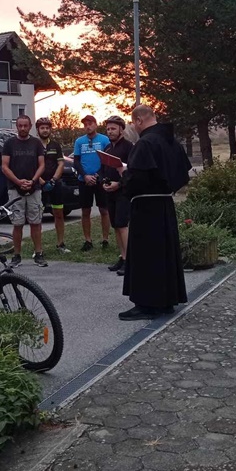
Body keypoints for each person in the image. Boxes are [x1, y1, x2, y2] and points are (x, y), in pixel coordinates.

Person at [118, 105, 192, 321]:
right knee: (164, 254)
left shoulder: (145, 143)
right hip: (165, 204)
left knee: (146, 256)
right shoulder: (172, 141)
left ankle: (147, 305)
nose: (134, 127)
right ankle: (166, 302)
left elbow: (137, 179)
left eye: (134, 123)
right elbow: (183, 174)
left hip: (146, 207)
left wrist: (123, 174)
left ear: (139, 120)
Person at [1, 115, 47, 267]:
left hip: (34, 188)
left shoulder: (36, 143)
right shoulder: (9, 143)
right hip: (15, 189)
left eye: (25, 126)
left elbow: (42, 165)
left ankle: (39, 254)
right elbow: (5, 166)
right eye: (20, 126)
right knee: (17, 223)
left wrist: (33, 181)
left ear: (30, 126)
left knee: (36, 222)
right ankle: (16, 255)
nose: (22, 128)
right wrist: (18, 181)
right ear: (16, 126)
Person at [101, 115, 133, 275]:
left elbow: (132, 171)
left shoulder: (128, 147)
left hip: (123, 192)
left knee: (122, 225)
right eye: (108, 129)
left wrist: (119, 184)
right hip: (110, 192)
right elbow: (102, 168)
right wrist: (103, 182)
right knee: (115, 225)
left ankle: (130, 261)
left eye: (113, 128)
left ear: (121, 129)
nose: (110, 131)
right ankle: (122, 256)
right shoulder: (107, 148)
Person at [74, 115, 111, 252]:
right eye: (85, 125)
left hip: (100, 180)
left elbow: (107, 160)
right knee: (85, 211)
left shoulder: (104, 140)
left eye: (90, 124)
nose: (88, 127)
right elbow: (76, 161)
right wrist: (85, 176)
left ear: (96, 124)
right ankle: (88, 240)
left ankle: (105, 239)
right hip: (84, 181)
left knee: (104, 210)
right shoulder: (79, 141)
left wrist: (98, 175)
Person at [35, 117, 68, 253]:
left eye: (47, 128)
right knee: (38, 217)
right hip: (39, 185)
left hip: (55, 184)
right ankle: (38, 248)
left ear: (50, 129)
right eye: (42, 128)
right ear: (37, 130)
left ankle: (60, 244)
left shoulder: (55, 145)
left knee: (59, 214)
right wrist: (41, 181)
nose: (45, 130)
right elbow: (32, 166)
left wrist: (54, 180)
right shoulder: (33, 145)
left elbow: (61, 164)